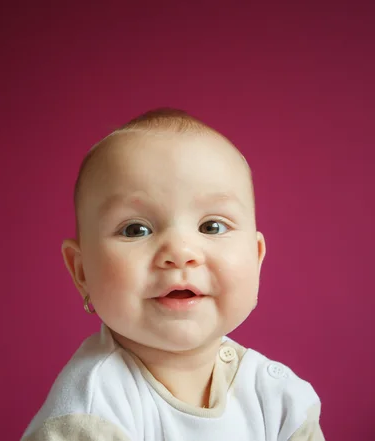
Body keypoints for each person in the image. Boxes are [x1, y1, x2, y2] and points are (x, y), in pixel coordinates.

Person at [20, 108, 325, 440]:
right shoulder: (91, 412)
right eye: (136, 229)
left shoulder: (280, 399)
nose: (180, 252)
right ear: (82, 272)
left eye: (212, 226)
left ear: (256, 257)